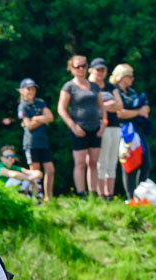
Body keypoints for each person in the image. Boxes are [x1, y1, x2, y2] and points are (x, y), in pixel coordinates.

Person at [58, 54, 106, 196]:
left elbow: (101, 106)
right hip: (79, 128)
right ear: (71, 68)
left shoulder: (94, 86)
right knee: (80, 163)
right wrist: (73, 126)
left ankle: (93, 192)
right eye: (77, 66)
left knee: (94, 162)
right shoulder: (69, 86)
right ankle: (81, 192)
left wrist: (104, 123)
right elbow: (61, 109)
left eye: (83, 66)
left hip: (95, 127)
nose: (81, 69)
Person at [110, 63, 152, 200]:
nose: (132, 79)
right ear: (122, 77)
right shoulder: (114, 91)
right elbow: (120, 113)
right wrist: (138, 112)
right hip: (125, 132)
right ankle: (131, 197)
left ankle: (141, 194)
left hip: (138, 130)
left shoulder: (132, 92)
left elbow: (145, 108)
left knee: (146, 163)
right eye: (130, 76)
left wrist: (141, 110)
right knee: (129, 164)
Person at [88, 58, 123, 198]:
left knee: (112, 161)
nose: (101, 72)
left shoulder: (110, 87)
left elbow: (119, 105)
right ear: (91, 70)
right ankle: (101, 192)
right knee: (101, 161)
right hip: (100, 127)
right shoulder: (89, 86)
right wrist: (108, 105)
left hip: (115, 126)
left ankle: (110, 193)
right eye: (98, 70)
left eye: (103, 70)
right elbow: (92, 107)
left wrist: (103, 106)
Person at [17, 78, 55, 201]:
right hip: (31, 143)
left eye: (33, 89)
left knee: (50, 170)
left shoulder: (40, 102)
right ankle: (35, 198)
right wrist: (42, 119)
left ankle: (48, 198)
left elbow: (50, 117)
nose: (31, 91)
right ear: (22, 91)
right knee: (35, 172)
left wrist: (37, 118)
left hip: (43, 142)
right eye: (28, 89)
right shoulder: (23, 106)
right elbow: (29, 125)